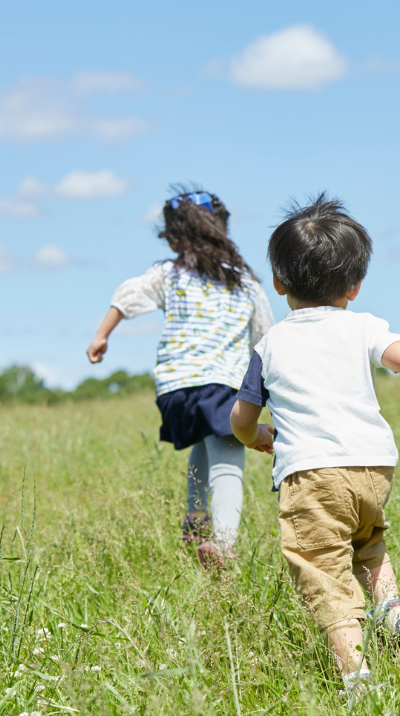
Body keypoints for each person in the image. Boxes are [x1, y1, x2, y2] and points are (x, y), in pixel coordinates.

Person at [229, 195, 400, 697]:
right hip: (373, 469)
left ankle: (357, 680)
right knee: (367, 542)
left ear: (279, 283)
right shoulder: (364, 326)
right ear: (355, 286)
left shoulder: (270, 345)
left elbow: (242, 418)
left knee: (323, 570)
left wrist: (258, 438)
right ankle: (392, 605)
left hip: (312, 474)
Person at [87, 189, 274, 568]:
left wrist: (102, 334)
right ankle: (223, 544)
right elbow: (267, 338)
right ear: (222, 231)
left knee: (204, 443)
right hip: (220, 381)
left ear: (174, 237)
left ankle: (195, 522)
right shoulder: (244, 284)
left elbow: (129, 295)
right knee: (228, 459)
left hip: (175, 388)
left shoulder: (168, 275)